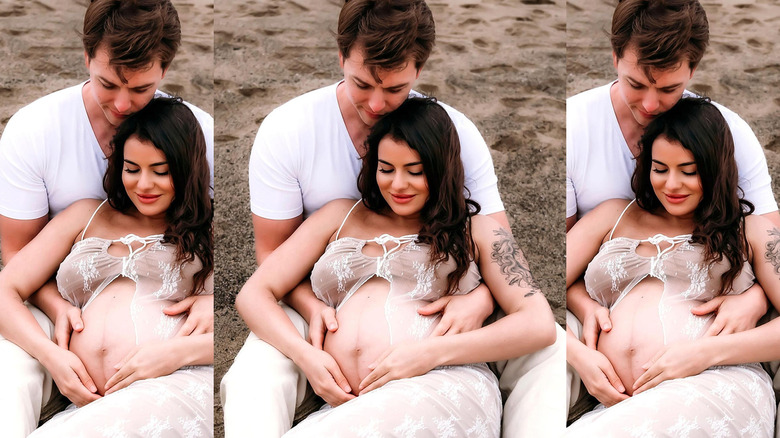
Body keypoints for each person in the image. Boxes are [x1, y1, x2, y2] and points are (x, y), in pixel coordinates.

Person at [221, 0, 566, 436]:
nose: (378, 104)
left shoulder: (456, 137)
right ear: (341, 56)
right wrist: (313, 321)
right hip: (316, 303)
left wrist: (476, 303)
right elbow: (268, 264)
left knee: (554, 350)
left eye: (395, 88)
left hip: (442, 346)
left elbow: (507, 263)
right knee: (254, 372)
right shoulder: (293, 138)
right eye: (363, 84)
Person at [0, 1, 214, 434]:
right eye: (108, 83)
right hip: (57, 300)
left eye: (140, 89)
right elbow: (14, 254)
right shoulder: (36, 130)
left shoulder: (197, 133)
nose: (123, 104)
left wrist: (208, 303)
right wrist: (56, 316)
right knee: (9, 373)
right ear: (87, 58)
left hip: (167, 370)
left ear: (165, 69)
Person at [565, 0, 778, 413]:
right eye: (635, 84)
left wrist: (753, 299)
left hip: (709, 367)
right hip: (603, 327)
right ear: (614, 57)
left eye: (668, 88)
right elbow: (561, 267)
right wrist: (583, 312)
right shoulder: (577, 128)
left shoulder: (728, 133)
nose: (649, 105)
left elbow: (769, 246)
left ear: (692, 70)